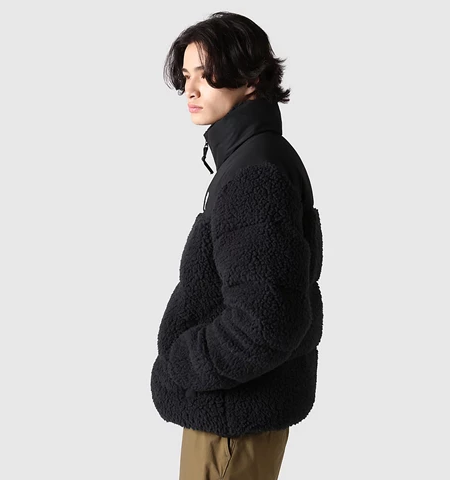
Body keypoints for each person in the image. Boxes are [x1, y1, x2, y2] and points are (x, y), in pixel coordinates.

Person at [150, 11, 324, 480]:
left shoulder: (253, 172)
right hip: (235, 414)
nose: (190, 89)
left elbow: (265, 321)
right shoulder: (255, 158)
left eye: (206, 75)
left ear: (251, 79)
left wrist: (181, 363)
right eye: (186, 75)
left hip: (230, 423)